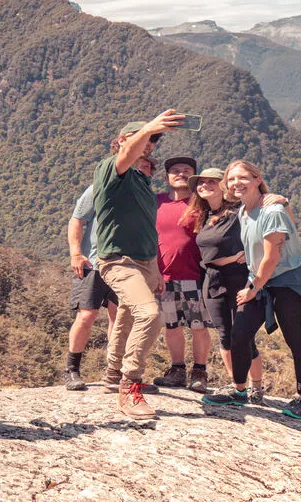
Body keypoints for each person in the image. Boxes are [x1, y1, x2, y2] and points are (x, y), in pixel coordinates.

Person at [201, 160, 301, 420]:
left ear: (257, 179)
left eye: (243, 177)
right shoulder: (246, 211)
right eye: (231, 179)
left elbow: (272, 257)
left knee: (296, 339)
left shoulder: (271, 211)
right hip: (260, 280)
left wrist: (252, 289)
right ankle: (239, 391)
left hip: (288, 281)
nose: (236, 183)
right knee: (240, 334)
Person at [95, 110, 183, 420]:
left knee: (128, 317)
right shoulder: (111, 171)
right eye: (143, 141)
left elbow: (148, 228)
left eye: (152, 143)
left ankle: (112, 372)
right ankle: (129, 385)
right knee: (150, 314)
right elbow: (126, 154)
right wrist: (148, 128)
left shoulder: (140, 181)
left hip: (144, 262)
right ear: (121, 142)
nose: (149, 146)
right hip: (118, 260)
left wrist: (155, 268)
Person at [183, 169, 292, 404]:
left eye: (212, 182)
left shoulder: (238, 211)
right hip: (212, 281)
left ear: (223, 186)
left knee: (244, 336)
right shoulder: (203, 215)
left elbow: (267, 212)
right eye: (201, 183)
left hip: (240, 279)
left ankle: (256, 388)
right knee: (225, 336)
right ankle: (237, 386)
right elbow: (207, 254)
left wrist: (282, 200)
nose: (205, 186)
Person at [64, 156, 157, 391]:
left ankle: (112, 372)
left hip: (126, 264)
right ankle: (72, 369)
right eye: (138, 164)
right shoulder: (101, 187)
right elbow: (77, 219)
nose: (142, 170)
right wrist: (76, 253)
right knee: (87, 315)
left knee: (120, 318)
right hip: (94, 261)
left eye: (147, 167)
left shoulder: (143, 195)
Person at [152, 156, 212, 393]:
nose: (181, 174)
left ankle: (200, 372)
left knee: (198, 326)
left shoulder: (202, 204)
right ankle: (177, 370)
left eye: (187, 170)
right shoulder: (155, 202)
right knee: (172, 326)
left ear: (195, 176)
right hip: (163, 277)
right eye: (175, 171)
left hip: (194, 276)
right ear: (167, 177)